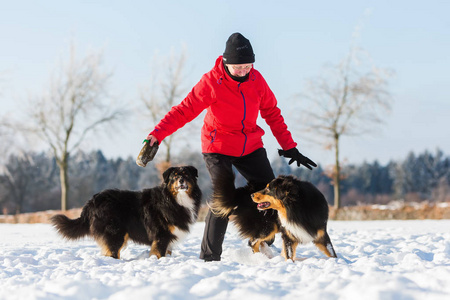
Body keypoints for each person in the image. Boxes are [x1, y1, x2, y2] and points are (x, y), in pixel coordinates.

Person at [145, 32, 317, 261]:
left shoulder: (256, 80)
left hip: (250, 145)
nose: (244, 71)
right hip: (218, 146)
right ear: (226, 63)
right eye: (238, 67)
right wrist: (156, 135)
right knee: (223, 200)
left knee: (269, 191)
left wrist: (289, 146)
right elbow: (183, 110)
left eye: (248, 65)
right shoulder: (211, 82)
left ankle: (262, 243)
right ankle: (209, 256)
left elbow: (272, 113)